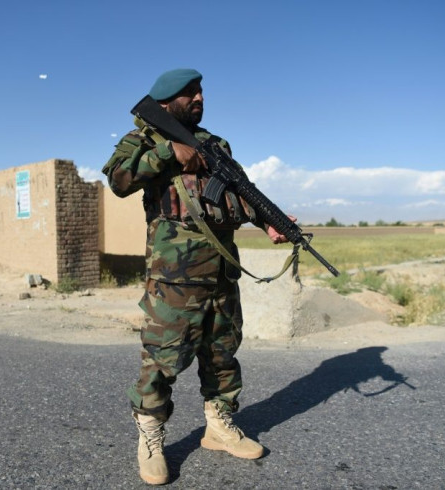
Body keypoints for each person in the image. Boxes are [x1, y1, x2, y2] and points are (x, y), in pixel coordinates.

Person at [102, 68, 292, 485]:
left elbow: (244, 190)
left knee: (223, 352)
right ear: (166, 102)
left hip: (221, 270)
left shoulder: (215, 144)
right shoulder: (144, 141)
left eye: (201, 91)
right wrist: (168, 153)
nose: (200, 98)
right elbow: (117, 178)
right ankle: (150, 435)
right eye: (191, 93)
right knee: (162, 359)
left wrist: (271, 222)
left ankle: (218, 426)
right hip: (173, 276)